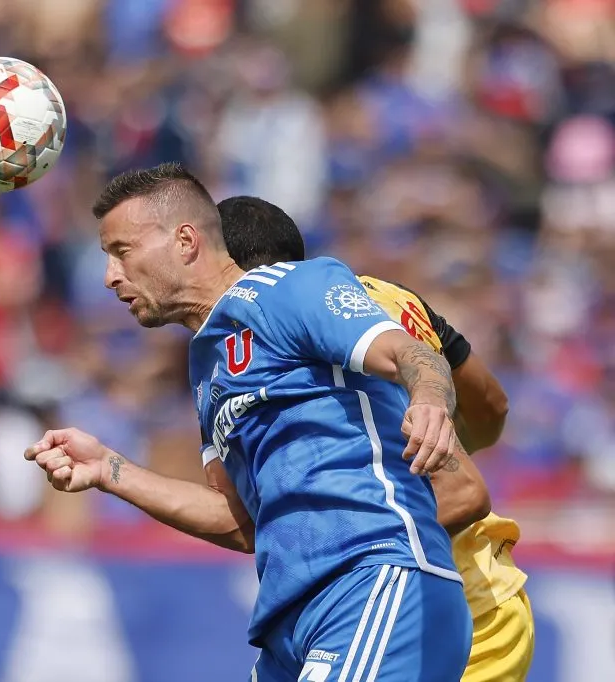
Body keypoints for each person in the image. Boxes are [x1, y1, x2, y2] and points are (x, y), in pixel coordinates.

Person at [25, 163, 474, 681]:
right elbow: (239, 522)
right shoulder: (205, 364)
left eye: (122, 252)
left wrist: (431, 401)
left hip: (373, 577)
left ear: (186, 240)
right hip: (291, 620)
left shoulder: (290, 288)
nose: (109, 276)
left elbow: (410, 353)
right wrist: (111, 470)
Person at [217, 195, 533, 682]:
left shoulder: (314, 337)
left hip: (462, 616)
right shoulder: (379, 295)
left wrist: (347, 551)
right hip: (439, 604)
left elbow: (463, 491)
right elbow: (492, 407)